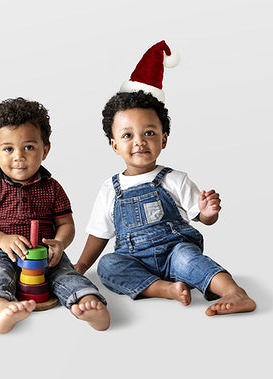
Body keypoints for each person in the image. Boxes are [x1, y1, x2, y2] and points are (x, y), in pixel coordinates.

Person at [74, 40, 256, 316]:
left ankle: (234, 292)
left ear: (164, 139)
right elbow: (99, 234)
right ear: (114, 145)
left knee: (190, 259)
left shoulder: (175, 179)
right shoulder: (110, 189)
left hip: (175, 252)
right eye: (127, 135)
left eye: (149, 133)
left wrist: (208, 213)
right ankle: (163, 288)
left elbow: (202, 218)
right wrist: (80, 267)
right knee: (109, 265)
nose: (139, 142)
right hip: (133, 258)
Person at [0, 97, 110, 334]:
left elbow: (66, 224)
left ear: (45, 150)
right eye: (8, 149)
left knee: (65, 274)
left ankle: (87, 302)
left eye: (28, 147)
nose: (19, 156)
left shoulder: (52, 187)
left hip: (46, 256)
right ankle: (0, 307)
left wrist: (60, 243)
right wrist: (2, 240)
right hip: (1, 254)